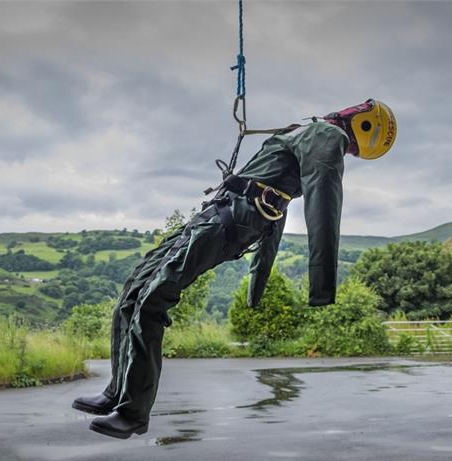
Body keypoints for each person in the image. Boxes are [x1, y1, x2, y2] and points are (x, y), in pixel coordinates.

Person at [71, 98, 397, 439]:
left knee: (153, 299)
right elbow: (278, 207)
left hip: (228, 222)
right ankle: (116, 391)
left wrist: (322, 284)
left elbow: (323, 198)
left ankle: (132, 412)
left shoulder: (327, 136)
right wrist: (259, 278)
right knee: (133, 290)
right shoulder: (308, 133)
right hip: (216, 215)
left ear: (363, 122)